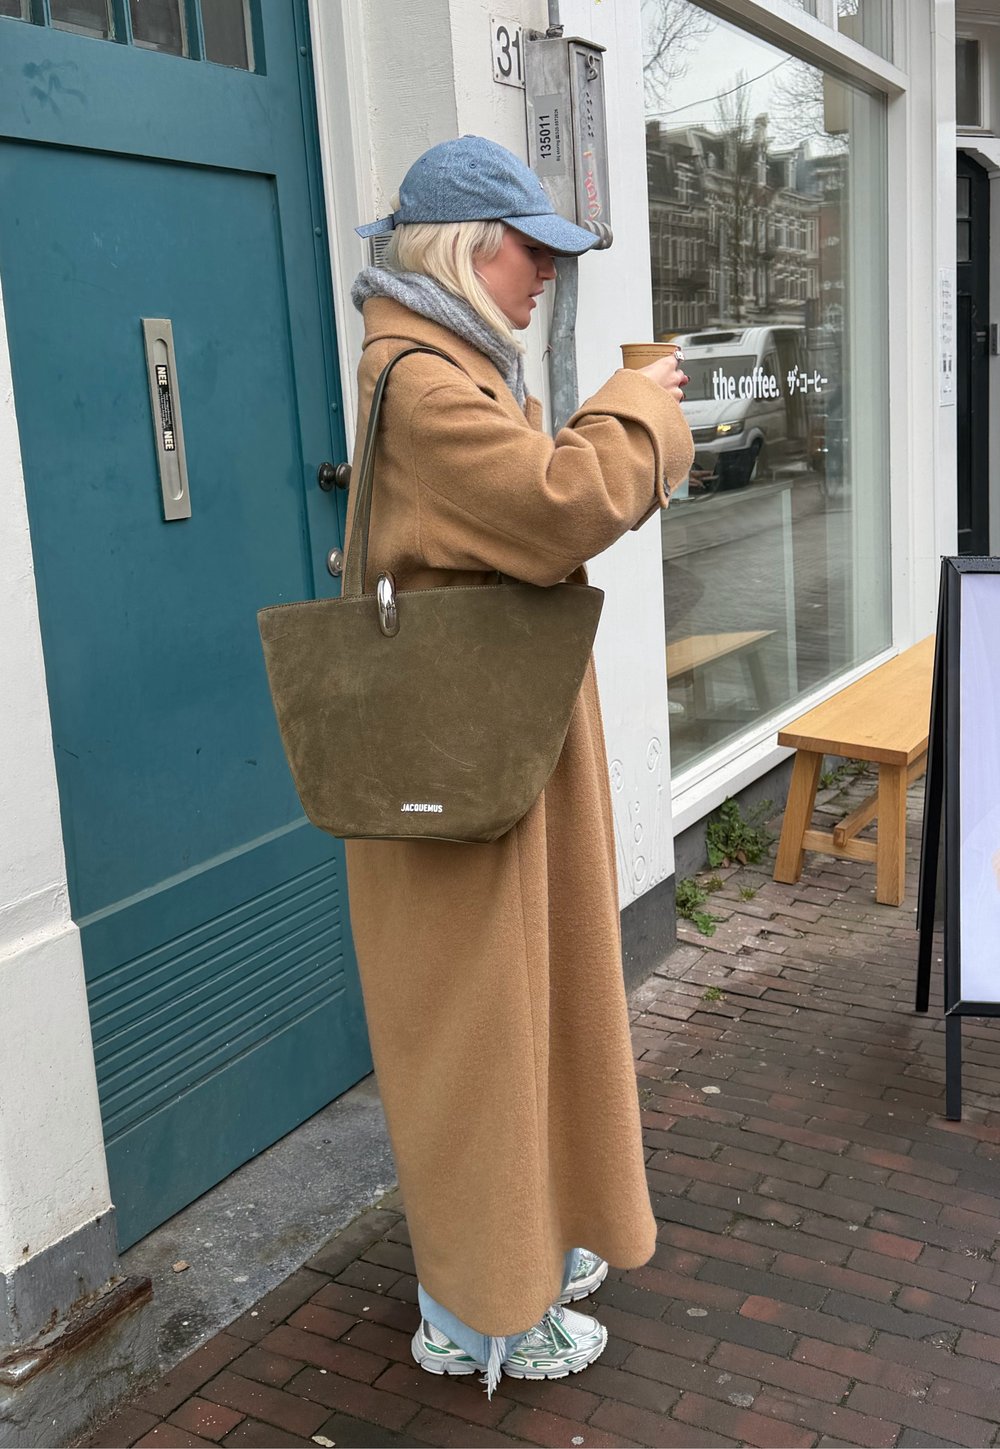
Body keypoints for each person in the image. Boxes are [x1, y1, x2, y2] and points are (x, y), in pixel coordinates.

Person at [345, 135, 694, 1396]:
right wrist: (640, 406)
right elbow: (555, 511)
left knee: (522, 1011)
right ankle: (476, 1312)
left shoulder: (450, 364)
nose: (544, 268)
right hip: (463, 767)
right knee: (476, 1033)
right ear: (462, 248)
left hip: (492, 753)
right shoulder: (426, 380)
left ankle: (524, 1249)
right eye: (527, 245)